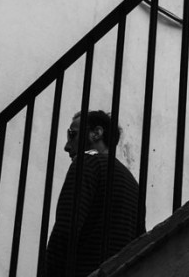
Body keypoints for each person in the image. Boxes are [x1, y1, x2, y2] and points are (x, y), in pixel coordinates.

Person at [46, 110, 144, 277]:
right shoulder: (132, 183)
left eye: (72, 134)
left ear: (96, 133)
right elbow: (140, 242)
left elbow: (66, 229)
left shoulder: (88, 162)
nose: (67, 146)